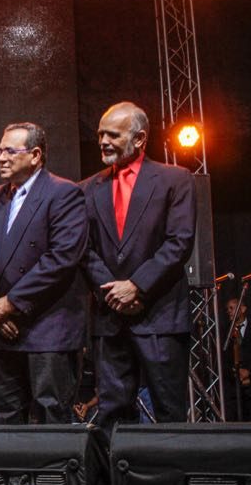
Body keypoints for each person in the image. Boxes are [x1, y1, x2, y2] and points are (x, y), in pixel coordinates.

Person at [82, 102, 196, 437]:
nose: (103, 141)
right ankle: (117, 474)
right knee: (112, 415)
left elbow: (179, 242)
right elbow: (83, 249)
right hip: (109, 317)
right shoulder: (86, 188)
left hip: (160, 313)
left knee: (169, 412)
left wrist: (137, 286)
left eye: (113, 135)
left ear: (140, 138)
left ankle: (169, 474)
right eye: (100, 134)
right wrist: (113, 291)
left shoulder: (176, 179)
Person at [0, 122, 87, 425]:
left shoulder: (63, 193)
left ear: (35, 155)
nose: (1, 158)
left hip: (48, 328)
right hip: (1, 329)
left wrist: (11, 303)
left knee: (51, 418)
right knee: (2, 420)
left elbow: (62, 257)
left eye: (10, 151)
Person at [224, 297, 251, 421]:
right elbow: (222, 360)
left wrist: (249, 372)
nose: (229, 311)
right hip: (233, 391)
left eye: (232, 308)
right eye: (227, 309)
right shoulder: (224, 332)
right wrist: (235, 372)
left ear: (242, 309)